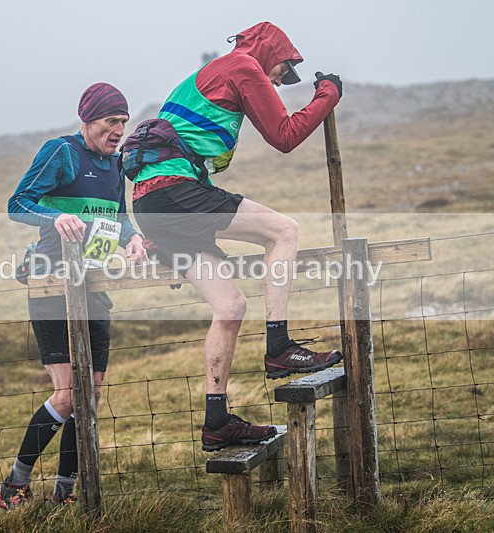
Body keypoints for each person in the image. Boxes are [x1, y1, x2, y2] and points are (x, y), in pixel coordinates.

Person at [130, 21, 344, 451]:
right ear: (270, 50)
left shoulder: (207, 76)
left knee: (230, 306)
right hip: (175, 194)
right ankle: (280, 346)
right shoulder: (244, 66)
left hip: (152, 204)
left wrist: (160, 226)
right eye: (285, 68)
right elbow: (284, 136)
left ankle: (217, 422)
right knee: (284, 230)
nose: (282, 80)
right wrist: (328, 94)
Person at [0, 82, 146, 508]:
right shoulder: (61, 153)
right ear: (88, 120)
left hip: (93, 285)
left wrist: (132, 239)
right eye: (110, 121)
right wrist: (56, 215)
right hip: (50, 283)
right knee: (68, 395)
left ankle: (64, 492)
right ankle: (14, 484)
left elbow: (119, 217)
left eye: (123, 121)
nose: (119, 129)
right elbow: (17, 203)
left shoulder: (117, 165)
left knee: (92, 395)